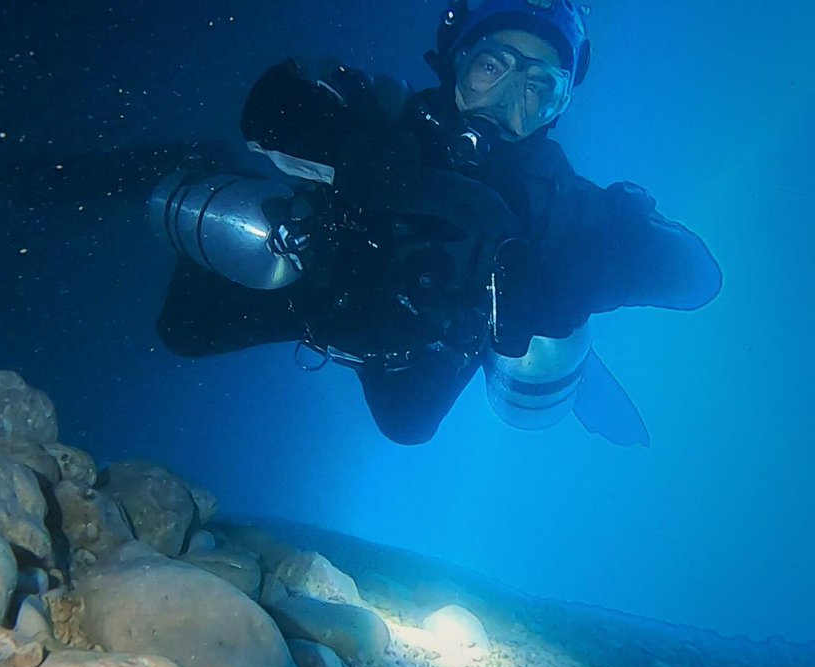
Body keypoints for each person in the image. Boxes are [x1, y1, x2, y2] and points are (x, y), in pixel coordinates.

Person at [150, 0, 722, 445]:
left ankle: (574, 361)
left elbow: (697, 278)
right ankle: (197, 167)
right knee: (185, 330)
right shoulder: (387, 123)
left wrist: (576, 276)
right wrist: (363, 157)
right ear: (458, 61)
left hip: (422, 348)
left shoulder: (564, 207)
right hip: (322, 295)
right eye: (492, 67)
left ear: (560, 105)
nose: (508, 101)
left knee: (408, 426)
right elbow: (272, 105)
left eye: (538, 87)